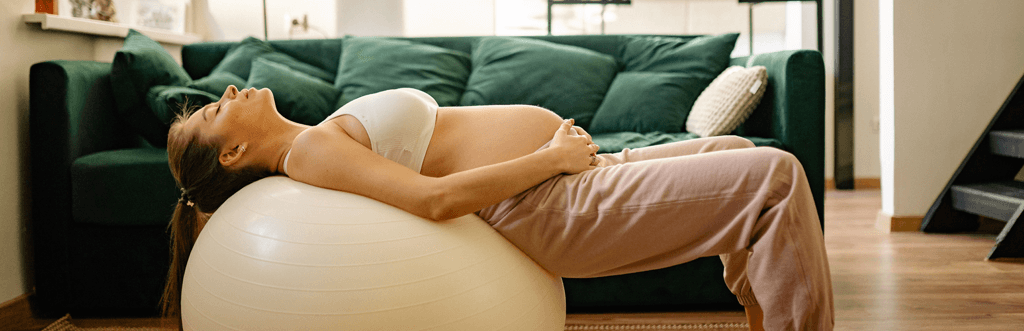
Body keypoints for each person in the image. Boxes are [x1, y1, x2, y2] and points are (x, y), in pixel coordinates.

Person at [163, 85, 834, 330]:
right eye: (219, 111)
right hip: (547, 200)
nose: (228, 90)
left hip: (571, 174)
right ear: (229, 154)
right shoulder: (308, 154)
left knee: (737, 146)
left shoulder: (314, 140)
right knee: (774, 176)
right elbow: (435, 199)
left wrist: (564, 155)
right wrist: (552, 158)